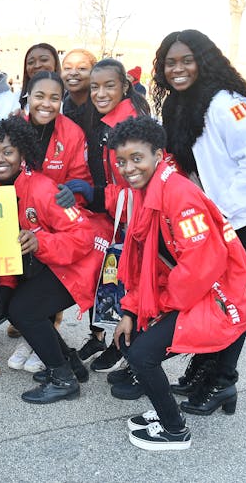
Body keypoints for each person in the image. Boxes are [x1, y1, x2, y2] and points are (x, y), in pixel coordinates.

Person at [151, 29, 246, 415]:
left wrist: (218, 217)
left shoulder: (226, 103)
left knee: (233, 293)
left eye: (186, 60)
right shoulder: (179, 104)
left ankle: (223, 382)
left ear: (204, 60)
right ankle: (203, 368)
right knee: (212, 290)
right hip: (229, 212)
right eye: (170, 62)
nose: (177, 68)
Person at [108, 116, 246, 451]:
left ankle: (175, 431)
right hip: (192, 291)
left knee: (142, 354)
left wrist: (161, 307)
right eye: (121, 161)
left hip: (217, 295)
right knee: (130, 340)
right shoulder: (148, 190)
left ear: (158, 155)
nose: (128, 168)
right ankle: (166, 413)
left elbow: (201, 265)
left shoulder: (178, 195)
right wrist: (132, 309)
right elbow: (146, 266)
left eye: (137, 158)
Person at [0, 116, 106, 404]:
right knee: (14, 305)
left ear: (22, 154)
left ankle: (63, 379)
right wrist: (6, 289)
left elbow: (82, 236)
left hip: (79, 267)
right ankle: (71, 364)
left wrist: (39, 241)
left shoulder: (43, 188)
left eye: (8, 151)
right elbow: (7, 248)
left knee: (25, 311)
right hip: (50, 265)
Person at [6, 70, 93, 372]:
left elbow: (81, 178)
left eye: (54, 97)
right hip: (21, 218)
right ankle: (36, 338)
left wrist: (75, 192)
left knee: (37, 295)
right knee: (22, 287)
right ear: (27, 96)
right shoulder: (15, 125)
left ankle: (39, 343)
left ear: (62, 100)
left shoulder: (72, 133)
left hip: (58, 223)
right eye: (39, 96)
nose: (46, 103)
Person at [71, 58, 151, 379]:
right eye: (95, 87)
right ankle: (100, 336)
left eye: (108, 86)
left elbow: (138, 186)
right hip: (112, 213)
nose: (100, 93)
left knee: (130, 283)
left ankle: (128, 350)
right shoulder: (105, 117)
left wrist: (98, 195)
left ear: (124, 87)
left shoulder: (130, 124)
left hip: (132, 217)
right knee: (107, 278)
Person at [18, 43, 61, 111]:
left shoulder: (68, 100)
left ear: (55, 64)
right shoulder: (14, 100)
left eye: (44, 60)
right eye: (31, 62)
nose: (37, 65)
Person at [60, 48, 97, 126]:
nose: (73, 73)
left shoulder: (102, 106)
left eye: (82, 68)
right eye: (67, 68)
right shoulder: (59, 106)